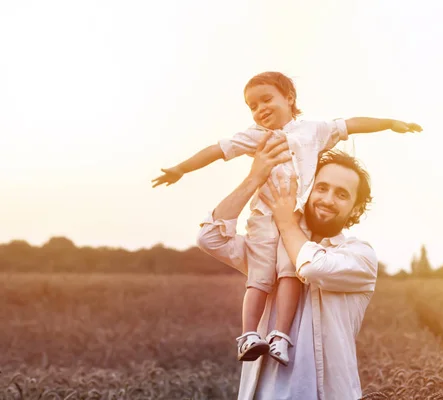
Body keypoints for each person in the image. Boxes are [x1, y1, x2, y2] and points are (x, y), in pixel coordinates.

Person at [153, 71, 421, 366]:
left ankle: (280, 335)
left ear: (290, 98)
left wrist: (389, 124)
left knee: (291, 272)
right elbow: (217, 150)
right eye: (252, 106)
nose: (260, 109)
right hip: (264, 220)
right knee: (259, 277)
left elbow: (350, 124)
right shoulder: (255, 137)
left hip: (295, 221)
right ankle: (249, 336)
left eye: (266, 99)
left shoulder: (312, 131)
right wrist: (181, 169)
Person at [196, 133, 379, 399]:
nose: (327, 199)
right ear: (308, 189)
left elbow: (312, 267)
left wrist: (285, 223)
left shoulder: (359, 255)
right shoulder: (270, 249)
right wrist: (253, 180)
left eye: (341, 194)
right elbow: (210, 238)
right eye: (322, 187)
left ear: (355, 208)